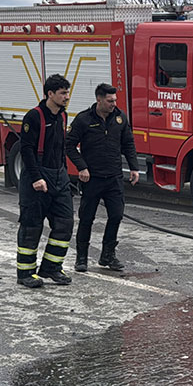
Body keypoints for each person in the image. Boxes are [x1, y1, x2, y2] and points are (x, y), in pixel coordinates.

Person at [65, 83, 140, 272]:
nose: (114, 104)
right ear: (99, 100)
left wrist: (134, 168)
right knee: (87, 218)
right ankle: (81, 257)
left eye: (115, 100)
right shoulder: (83, 120)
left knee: (116, 215)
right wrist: (81, 167)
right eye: (110, 101)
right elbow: (69, 145)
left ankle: (107, 256)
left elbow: (128, 144)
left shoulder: (120, 118)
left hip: (114, 177)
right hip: (92, 178)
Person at [15, 74, 74, 289]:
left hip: (59, 178)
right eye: (62, 93)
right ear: (50, 94)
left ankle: (51, 267)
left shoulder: (63, 116)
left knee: (65, 223)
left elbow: (60, 150)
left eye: (67, 93)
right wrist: (37, 178)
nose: (67, 97)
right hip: (36, 179)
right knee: (32, 226)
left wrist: (66, 176)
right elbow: (27, 150)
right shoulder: (34, 117)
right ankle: (25, 272)